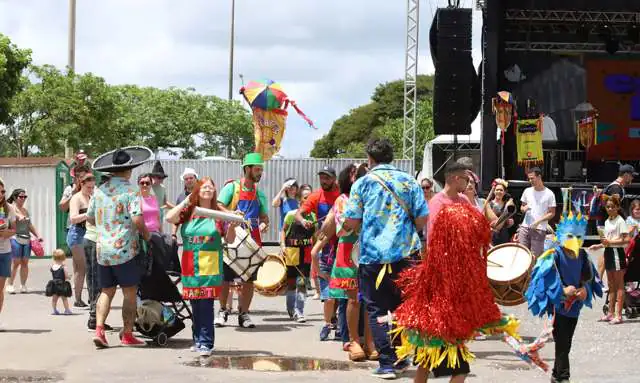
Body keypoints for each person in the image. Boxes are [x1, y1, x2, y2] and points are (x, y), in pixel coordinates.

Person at [394, 203, 521, 383]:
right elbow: (470, 300)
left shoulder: (435, 263)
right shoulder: (460, 270)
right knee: (460, 372)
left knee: (424, 365)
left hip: (428, 329)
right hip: (444, 332)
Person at [343, 138, 429, 379]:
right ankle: (402, 358)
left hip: (373, 257)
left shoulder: (363, 183)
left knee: (377, 308)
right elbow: (423, 218)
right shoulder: (409, 181)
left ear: (370, 159)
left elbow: (351, 221)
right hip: (406, 255)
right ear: (391, 157)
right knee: (403, 308)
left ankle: (387, 363)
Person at [525, 204, 602, 383]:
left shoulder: (582, 255)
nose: (574, 240)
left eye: (578, 236)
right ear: (561, 235)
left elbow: (589, 276)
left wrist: (585, 289)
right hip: (559, 306)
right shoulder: (555, 254)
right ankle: (564, 377)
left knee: (566, 342)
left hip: (575, 306)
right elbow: (547, 277)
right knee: (562, 342)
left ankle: (556, 375)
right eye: (569, 236)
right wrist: (562, 290)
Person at [87, 146, 152, 348]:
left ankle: (99, 330)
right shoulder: (131, 191)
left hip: (102, 250)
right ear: (129, 169)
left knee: (106, 290)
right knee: (129, 292)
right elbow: (137, 219)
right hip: (125, 249)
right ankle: (127, 334)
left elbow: (89, 217)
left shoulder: (98, 191)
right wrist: (147, 235)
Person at [166, 177, 238, 356]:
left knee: (205, 305)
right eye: (204, 187)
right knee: (195, 306)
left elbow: (229, 239)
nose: (208, 190)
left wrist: (232, 227)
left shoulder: (219, 213)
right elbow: (169, 217)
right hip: (190, 264)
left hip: (210, 266)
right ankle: (197, 339)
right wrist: (187, 199)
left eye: (211, 187)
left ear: (214, 192)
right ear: (197, 190)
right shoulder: (189, 211)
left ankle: (206, 342)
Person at [323, 163, 376, 362]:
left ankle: (370, 343)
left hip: (370, 249)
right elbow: (346, 228)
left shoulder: (373, 197)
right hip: (349, 252)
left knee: (371, 298)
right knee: (353, 299)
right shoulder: (342, 200)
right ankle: (354, 341)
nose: (360, 175)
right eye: (355, 173)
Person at [215, 153, 269, 329]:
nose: (260, 172)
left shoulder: (260, 194)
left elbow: (264, 218)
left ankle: (244, 314)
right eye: (257, 169)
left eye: (261, 169)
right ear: (247, 169)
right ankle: (223, 311)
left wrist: (263, 225)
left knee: (249, 280)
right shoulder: (232, 187)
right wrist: (232, 215)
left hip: (252, 241)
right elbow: (219, 204)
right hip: (232, 238)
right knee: (226, 278)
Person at [298, 165, 341, 341]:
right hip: (325, 248)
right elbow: (299, 214)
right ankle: (328, 323)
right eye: (322, 177)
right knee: (328, 295)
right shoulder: (316, 196)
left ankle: (334, 320)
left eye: (327, 178)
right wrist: (304, 222)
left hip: (342, 246)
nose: (324, 181)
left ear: (334, 179)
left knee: (340, 291)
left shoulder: (342, 194)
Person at [591, 194, 629, 324]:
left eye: (612, 206)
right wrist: (599, 245)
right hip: (608, 252)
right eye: (608, 207)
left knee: (619, 285)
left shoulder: (620, 221)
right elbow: (607, 241)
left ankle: (619, 315)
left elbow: (626, 239)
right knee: (611, 284)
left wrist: (610, 242)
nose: (610, 209)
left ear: (618, 207)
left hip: (617, 253)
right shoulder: (607, 221)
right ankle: (610, 313)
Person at [281, 186, 316, 323]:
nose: (308, 200)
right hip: (292, 251)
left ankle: (299, 312)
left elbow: (316, 235)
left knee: (302, 282)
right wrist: (283, 245)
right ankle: (290, 309)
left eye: (310, 197)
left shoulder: (313, 216)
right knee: (291, 283)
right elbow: (283, 231)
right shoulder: (291, 214)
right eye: (305, 197)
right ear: (300, 199)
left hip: (306, 252)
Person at [84, 174, 113, 331]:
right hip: (95, 240)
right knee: (97, 280)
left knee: (93, 279)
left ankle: (94, 316)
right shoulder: (102, 197)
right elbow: (90, 218)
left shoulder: (97, 196)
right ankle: (94, 318)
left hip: (91, 239)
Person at [67, 173, 96, 307]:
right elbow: (73, 218)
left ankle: (92, 297)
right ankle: (78, 299)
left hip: (89, 233)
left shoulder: (90, 197)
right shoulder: (76, 198)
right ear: (82, 184)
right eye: (88, 187)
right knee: (81, 268)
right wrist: (88, 213)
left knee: (90, 267)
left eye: (92, 187)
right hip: (77, 234)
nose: (91, 189)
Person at [6, 188, 42, 294]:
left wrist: (38, 235)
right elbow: (12, 213)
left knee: (25, 263)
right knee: (16, 262)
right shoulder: (11, 207)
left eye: (24, 197)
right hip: (15, 238)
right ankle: (10, 285)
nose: (23, 199)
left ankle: (23, 285)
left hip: (26, 238)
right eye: (21, 197)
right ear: (15, 197)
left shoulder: (25, 210)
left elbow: (29, 225)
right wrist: (18, 216)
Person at [518, 167, 556, 257]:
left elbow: (552, 213)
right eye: (529, 179)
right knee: (522, 255)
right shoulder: (527, 191)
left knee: (535, 257)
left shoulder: (549, 194)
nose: (530, 181)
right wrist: (524, 208)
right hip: (524, 227)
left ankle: (533, 271)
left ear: (539, 177)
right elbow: (522, 207)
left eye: (532, 178)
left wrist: (538, 221)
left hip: (539, 229)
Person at [0, 178, 16, 330]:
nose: (1, 194)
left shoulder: (9, 208)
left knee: (0, 289)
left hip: (4, 252)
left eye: (3, 191)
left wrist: (7, 233)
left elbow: (14, 229)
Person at [172, 167, 198, 240]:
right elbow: (176, 217)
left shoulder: (203, 194)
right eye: (186, 179)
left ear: (196, 179)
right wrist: (173, 234)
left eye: (191, 178)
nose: (189, 180)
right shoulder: (181, 197)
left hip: (203, 236)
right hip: (187, 237)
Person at [45, 249, 73, 315]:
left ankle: (54, 310)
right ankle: (67, 310)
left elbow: (53, 272)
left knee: (54, 299)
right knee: (64, 298)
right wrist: (69, 277)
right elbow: (66, 276)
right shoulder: (63, 266)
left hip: (54, 284)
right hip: (61, 284)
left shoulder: (53, 266)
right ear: (63, 257)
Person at [488, 179, 515, 246]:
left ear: (505, 192)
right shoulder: (488, 204)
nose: (499, 191)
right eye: (497, 190)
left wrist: (510, 222)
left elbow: (510, 219)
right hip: (491, 234)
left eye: (501, 190)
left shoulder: (508, 204)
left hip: (504, 235)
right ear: (494, 191)